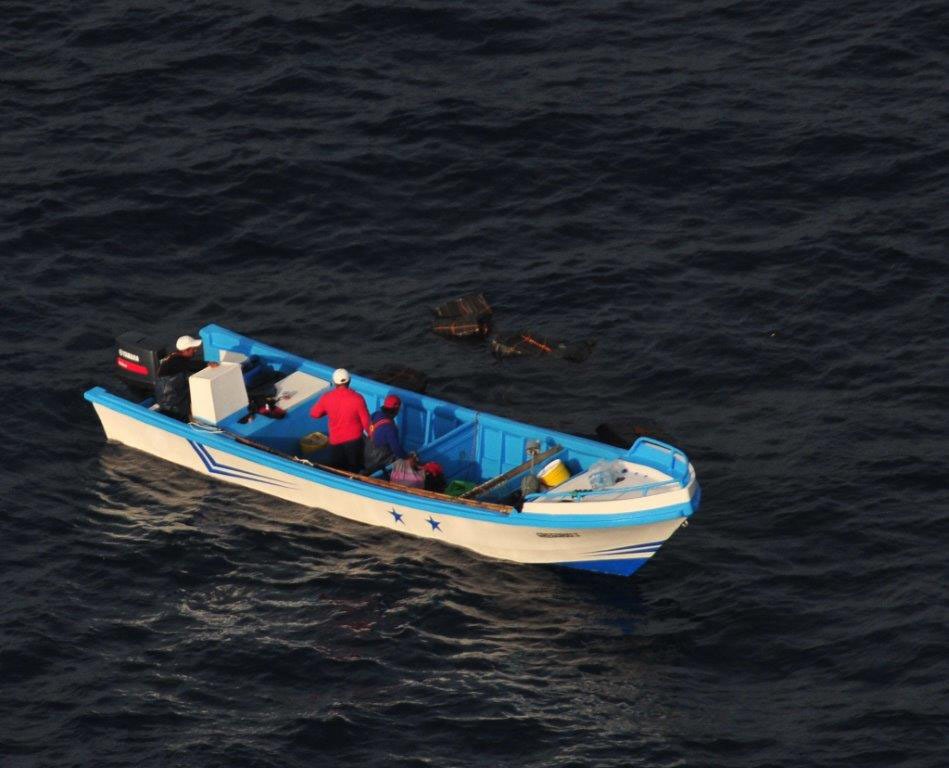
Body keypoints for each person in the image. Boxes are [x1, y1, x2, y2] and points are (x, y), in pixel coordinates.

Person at [309, 368, 370, 472]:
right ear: (349, 381)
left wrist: (328, 410)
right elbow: (367, 423)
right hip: (354, 442)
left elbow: (314, 414)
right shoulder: (357, 398)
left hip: (336, 442)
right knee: (354, 469)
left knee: (337, 469)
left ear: (334, 382)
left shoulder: (326, 398)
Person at [155, 335, 217, 420]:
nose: (195, 350)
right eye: (193, 349)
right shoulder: (177, 361)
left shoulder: (173, 357)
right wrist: (207, 364)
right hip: (171, 405)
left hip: (167, 400)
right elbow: (191, 365)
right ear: (186, 350)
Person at [364, 393, 409, 474]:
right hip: (376, 460)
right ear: (396, 410)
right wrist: (407, 458)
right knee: (401, 461)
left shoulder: (375, 414)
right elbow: (396, 449)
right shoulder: (390, 428)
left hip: (366, 453)